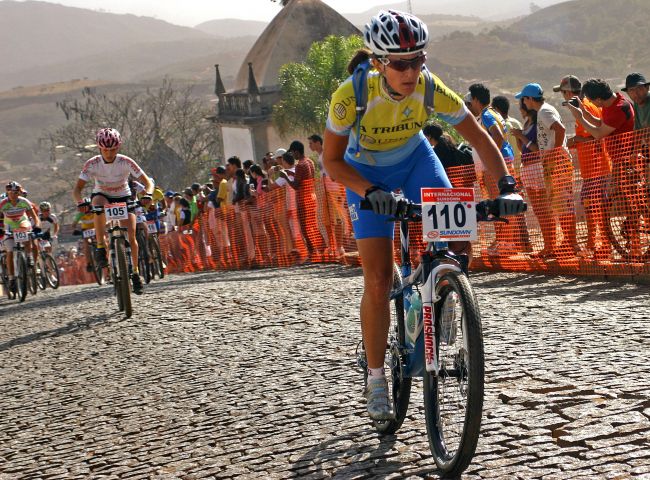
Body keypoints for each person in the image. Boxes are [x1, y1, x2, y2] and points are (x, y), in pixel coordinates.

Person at [323, 10, 524, 421]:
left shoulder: (429, 88)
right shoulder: (351, 95)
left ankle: (444, 289)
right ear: (379, 63)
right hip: (364, 174)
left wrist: (506, 185)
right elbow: (330, 161)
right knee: (378, 279)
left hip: (415, 160)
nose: (411, 71)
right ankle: (377, 378)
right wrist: (369, 192)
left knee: (457, 227)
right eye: (400, 63)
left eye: (418, 60)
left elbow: (479, 138)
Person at [72, 127, 154, 295]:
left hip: (123, 196)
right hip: (102, 194)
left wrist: (149, 194)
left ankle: (136, 273)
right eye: (105, 150)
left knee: (131, 236)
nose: (109, 153)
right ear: (99, 148)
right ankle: (101, 246)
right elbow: (77, 189)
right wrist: (80, 202)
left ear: (119, 147)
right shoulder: (93, 163)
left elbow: (148, 183)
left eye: (113, 149)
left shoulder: (126, 161)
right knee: (98, 205)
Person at [516, 83, 579, 257]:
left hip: (556, 161)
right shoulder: (543, 111)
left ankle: (571, 244)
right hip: (553, 161)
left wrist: (554, 154)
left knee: (562, 203)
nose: (524, 103)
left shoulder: (544, 111)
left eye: (524, 99)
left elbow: (560, 129)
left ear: (529, 99)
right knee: (558, 204)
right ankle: (566, 243)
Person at [555, 75, 611, 259]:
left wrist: (574, 140)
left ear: (568, 92)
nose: (563, 96)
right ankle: (595, 243)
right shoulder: (587, 105)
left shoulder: (583, 106)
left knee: (595, 206)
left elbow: (594, 135)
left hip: (595, 166)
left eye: (563, 92)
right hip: (594, 166)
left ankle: (601, 244)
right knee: (593, 206)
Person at [0, 181, 41, 292]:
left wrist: (37, 226)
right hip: (9, 226)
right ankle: (12, 278)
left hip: (22, 223)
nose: (14, 194)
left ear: (19, 192)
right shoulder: (3, 203)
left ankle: (28, 257)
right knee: (9, 250)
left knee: (27, 233)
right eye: (12, 192)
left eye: (16, 192)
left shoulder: (24, 201)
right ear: (8, 192)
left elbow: (35, 217)